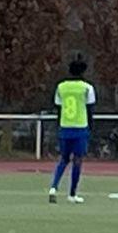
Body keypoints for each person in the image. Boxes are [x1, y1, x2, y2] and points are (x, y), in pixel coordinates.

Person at [46, 56, 95, 204]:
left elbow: (59, 108)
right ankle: (72, 194)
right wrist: (90, 127)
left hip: (65, 127)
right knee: (77, 161)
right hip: (80, 127)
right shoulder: (87, 88)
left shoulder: (61, 87)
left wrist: (59, 125)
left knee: (63, 158)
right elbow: (90, 108)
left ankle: (53, 187)